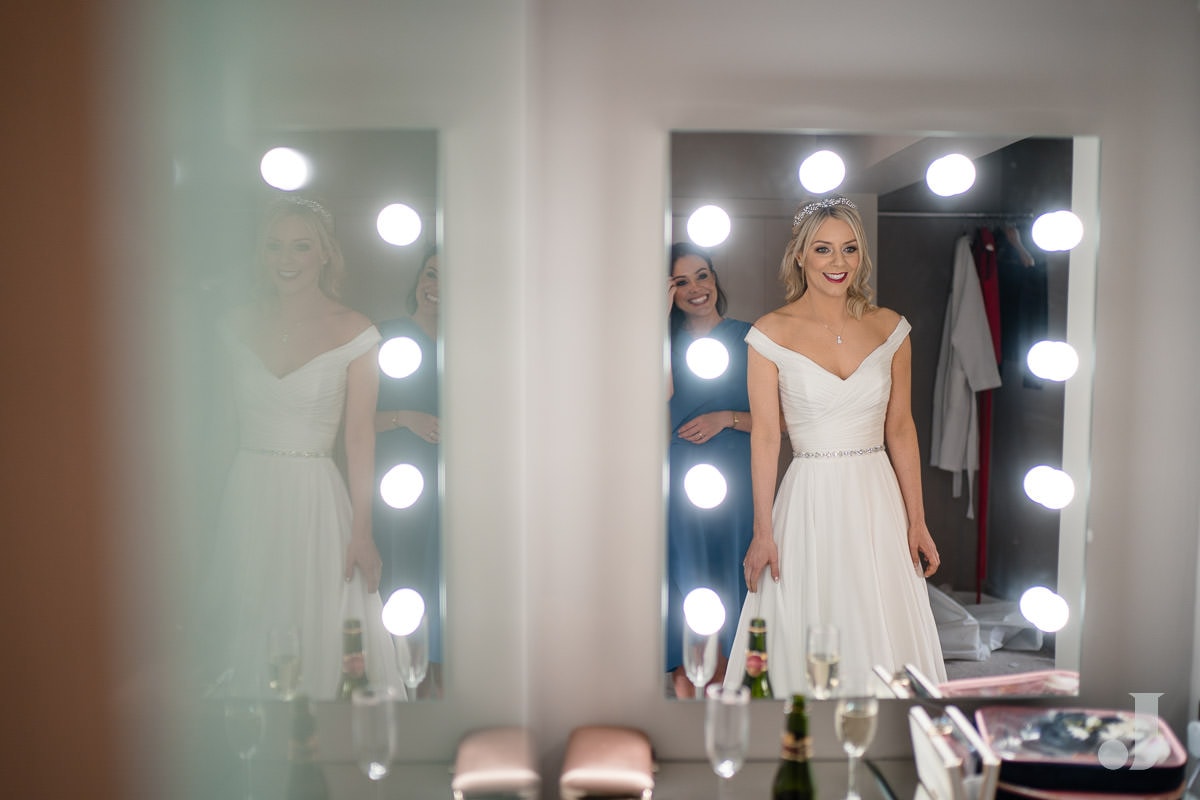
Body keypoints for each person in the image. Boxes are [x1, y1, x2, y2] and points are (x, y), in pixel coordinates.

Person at [723, 196, 946, 697]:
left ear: (860, 256)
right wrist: (763, 529)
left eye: (848, 249)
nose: (838, 263)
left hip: (876, 494)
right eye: (823, 250)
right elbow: (765, 435)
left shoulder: (890, 328)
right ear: (800, 256)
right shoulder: (769, 334)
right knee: (810, 616)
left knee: (881, 614)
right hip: (809, 496)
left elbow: (902, 428)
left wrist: (917, 520)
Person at [211, 194, 403, 699]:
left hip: (315, 496)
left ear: (324, 254)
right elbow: (219, 428)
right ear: (261, 254)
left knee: (319, 624)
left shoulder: (355, 331)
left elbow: (359, 438)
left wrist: (362, 530)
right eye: (275, 247)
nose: (286, 260)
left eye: (300, 247)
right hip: (247, 490)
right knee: (252, 618)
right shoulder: (234, 325)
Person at [665, 242, 755, 698]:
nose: (696, 288)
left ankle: (731, 684)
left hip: (738, 481)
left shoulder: (749, 336)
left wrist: (726, 418)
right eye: (681, 282)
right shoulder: (664, 344)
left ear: (715, 278)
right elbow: (655, 412)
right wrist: (657, 322)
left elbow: (780, 421)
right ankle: (688, 687)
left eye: (702, 275)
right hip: (682, 483)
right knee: (690, 580)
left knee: (731, 578)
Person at [372, 248, 442, 696]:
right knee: (404, 585)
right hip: (398, 485)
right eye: (430, 273)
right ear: (417, 279)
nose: (435, 285)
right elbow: (351, 421)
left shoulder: (474, 345)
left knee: (446, 592)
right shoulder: (385, 337)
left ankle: (443, 695)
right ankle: (406, 690)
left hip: (452, 488)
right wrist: (406, 417)